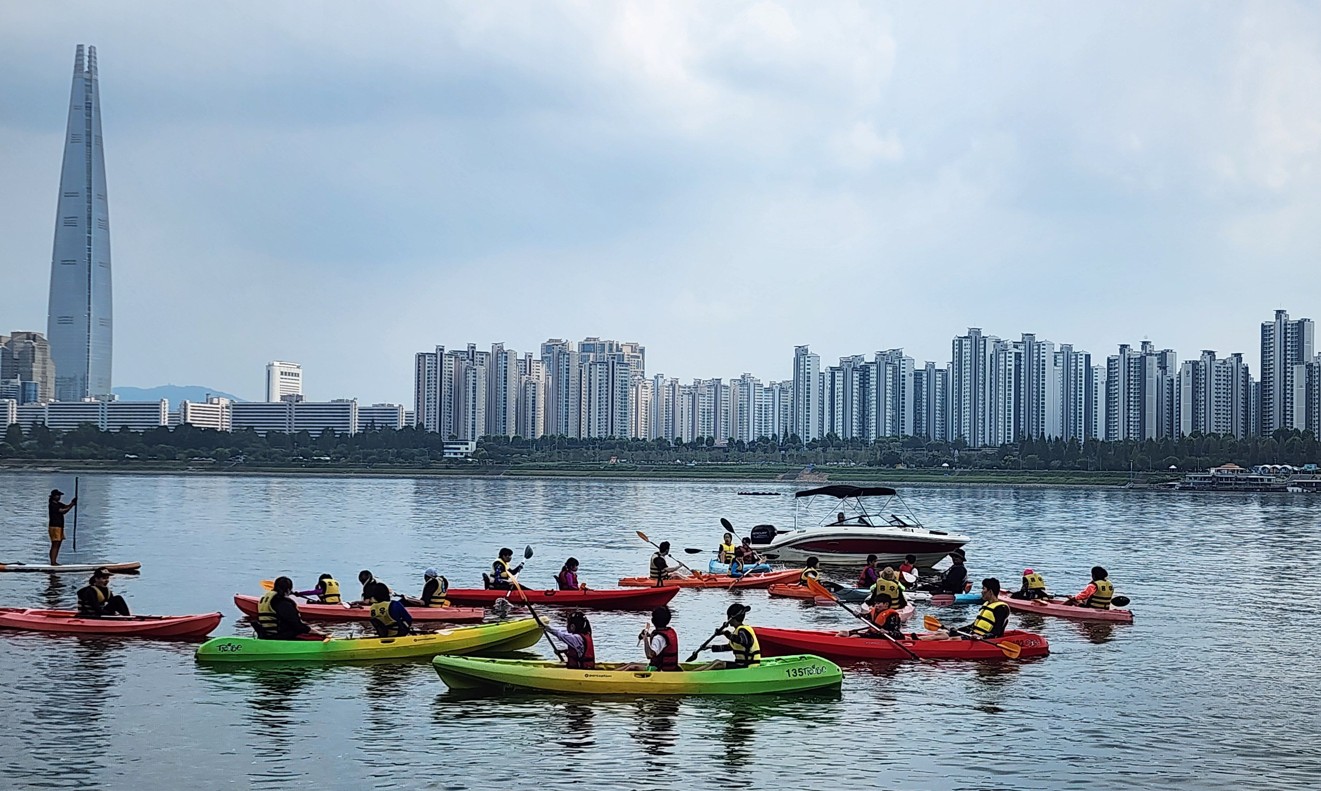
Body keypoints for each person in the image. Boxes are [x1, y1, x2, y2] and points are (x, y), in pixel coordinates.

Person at [933, 578, 1009, 640]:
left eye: (983, 589)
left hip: (984, 639)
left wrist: (982, 636)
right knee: (942, 633)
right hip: (973, 635)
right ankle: (921, 640)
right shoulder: (986, 604)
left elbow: (997, 632)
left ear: (990, 591)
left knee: (951, 639)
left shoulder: (1001, 608)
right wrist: (958, 630)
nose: (982, 592)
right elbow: (973, 626)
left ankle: (926, 646)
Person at [254, 576, 324, 640]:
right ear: (288, 590)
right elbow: (296, 625)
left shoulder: (265, 598)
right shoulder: (282, 602)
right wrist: (313, 631)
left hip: (267, 634)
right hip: (280, 636)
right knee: (317, 636)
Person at [709, 603, 760, 668]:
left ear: (731, 618)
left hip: (749, 665)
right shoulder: (737, 631)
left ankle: (698, 675)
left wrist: (726, 634)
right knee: (716, 662)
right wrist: (709, 647)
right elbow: (729, 647)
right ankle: (694, 672)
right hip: (741, 665)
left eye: (728, 617)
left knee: (718, 664)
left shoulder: (743, 630)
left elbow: (743, 641)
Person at [640, 605, 681, 671]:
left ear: (653, 621)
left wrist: (645, 639)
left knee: (631, 667)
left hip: (659, 669)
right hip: (669, 668)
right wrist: (649, 636)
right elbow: (661, 643)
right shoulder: (667, 633)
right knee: (631, 664)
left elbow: (649, 655)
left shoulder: (658, 637)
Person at [47, 488, 77, 566]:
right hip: (54, 526)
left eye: (59, 496)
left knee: (58, 544)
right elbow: (63, 511)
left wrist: (72, 503)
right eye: (57, 495)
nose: (59, 497)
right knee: (55, 544)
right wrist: (71, 507)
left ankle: (54, 561)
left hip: (60, 526)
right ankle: (53, 562)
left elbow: (66, 506)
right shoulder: (52, 505)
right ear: (53, 496)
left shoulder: (58, 504)